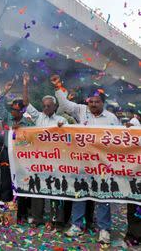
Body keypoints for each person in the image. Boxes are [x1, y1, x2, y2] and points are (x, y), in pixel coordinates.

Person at [52, 74, 119, 244]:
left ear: (102, 103)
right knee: (79, 194)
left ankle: (104, 229)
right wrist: (58, 86)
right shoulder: (82, 110)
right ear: (87, 102)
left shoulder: (111, 119)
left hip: (103, 166)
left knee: (103, 196)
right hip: (83, 164)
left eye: (97, 102)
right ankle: (77, 225)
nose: (93, 104)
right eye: (91, 101)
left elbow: (119, 139)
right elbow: (66, 104)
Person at [23, 72, 68, 230]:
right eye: (45, 105)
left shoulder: (62, 121)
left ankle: (57, 220)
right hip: (40, 162)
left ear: (55, 107)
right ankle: (37, 218)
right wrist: (25, 85)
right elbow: (26, 103)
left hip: (56, 162)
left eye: (49, 105)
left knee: (56, 191)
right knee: (38, 190)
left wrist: (63, 131)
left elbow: (69, 139)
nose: (46, 107)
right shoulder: (38, 117)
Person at [0, 79, 34, 223]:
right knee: (5, 183)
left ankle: (21, 213)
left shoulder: (28, 123)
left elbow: (32, 139)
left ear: (22, 111)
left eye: (16, 110)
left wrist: (22, 131)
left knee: (21, 184)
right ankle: (5, 212)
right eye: (12, 109)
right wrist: (6, 90)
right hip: (6, 153)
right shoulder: (7, 118)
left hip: (22, 157)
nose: (13, 112)